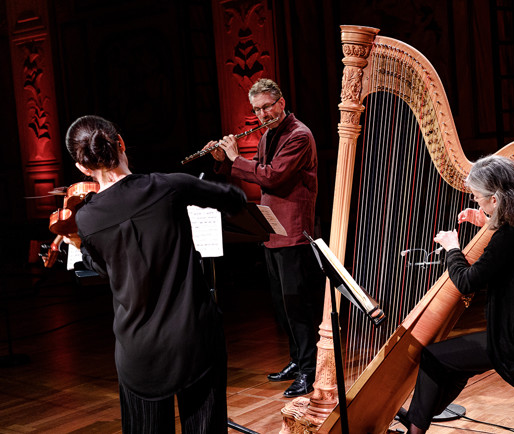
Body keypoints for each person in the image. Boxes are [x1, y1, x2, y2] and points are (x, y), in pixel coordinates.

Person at [65, 115, 247, 433]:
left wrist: (78, 243)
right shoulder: (169, 186)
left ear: (82, 168)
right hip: (194, 338)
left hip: (138, 352)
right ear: (120, 142)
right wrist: (221, 165)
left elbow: (102, 269)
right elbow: (235, 201)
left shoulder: (88, 219)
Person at [406, 155, 514, 434]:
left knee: (433, 356)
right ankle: (419, 417)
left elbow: (465, 281)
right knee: (454, 362)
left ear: (496, 199)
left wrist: (452, 247)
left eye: (478, 198)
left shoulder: (509, 236)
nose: (476, 202)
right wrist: (487, 222)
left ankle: (415, 426)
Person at [203, 78, 324, 398]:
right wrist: (221, 161)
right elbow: (257, 170)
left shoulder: (299, 135)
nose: (263, 114)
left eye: (268, 106)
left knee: (297, 305)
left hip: (294, 232)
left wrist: (233, 158)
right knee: (281, 305)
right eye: (257, 110)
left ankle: (309, 371)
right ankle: (297, 360)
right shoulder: (269, 135)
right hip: (270, 229)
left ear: (282, 102)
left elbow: (272, 176)